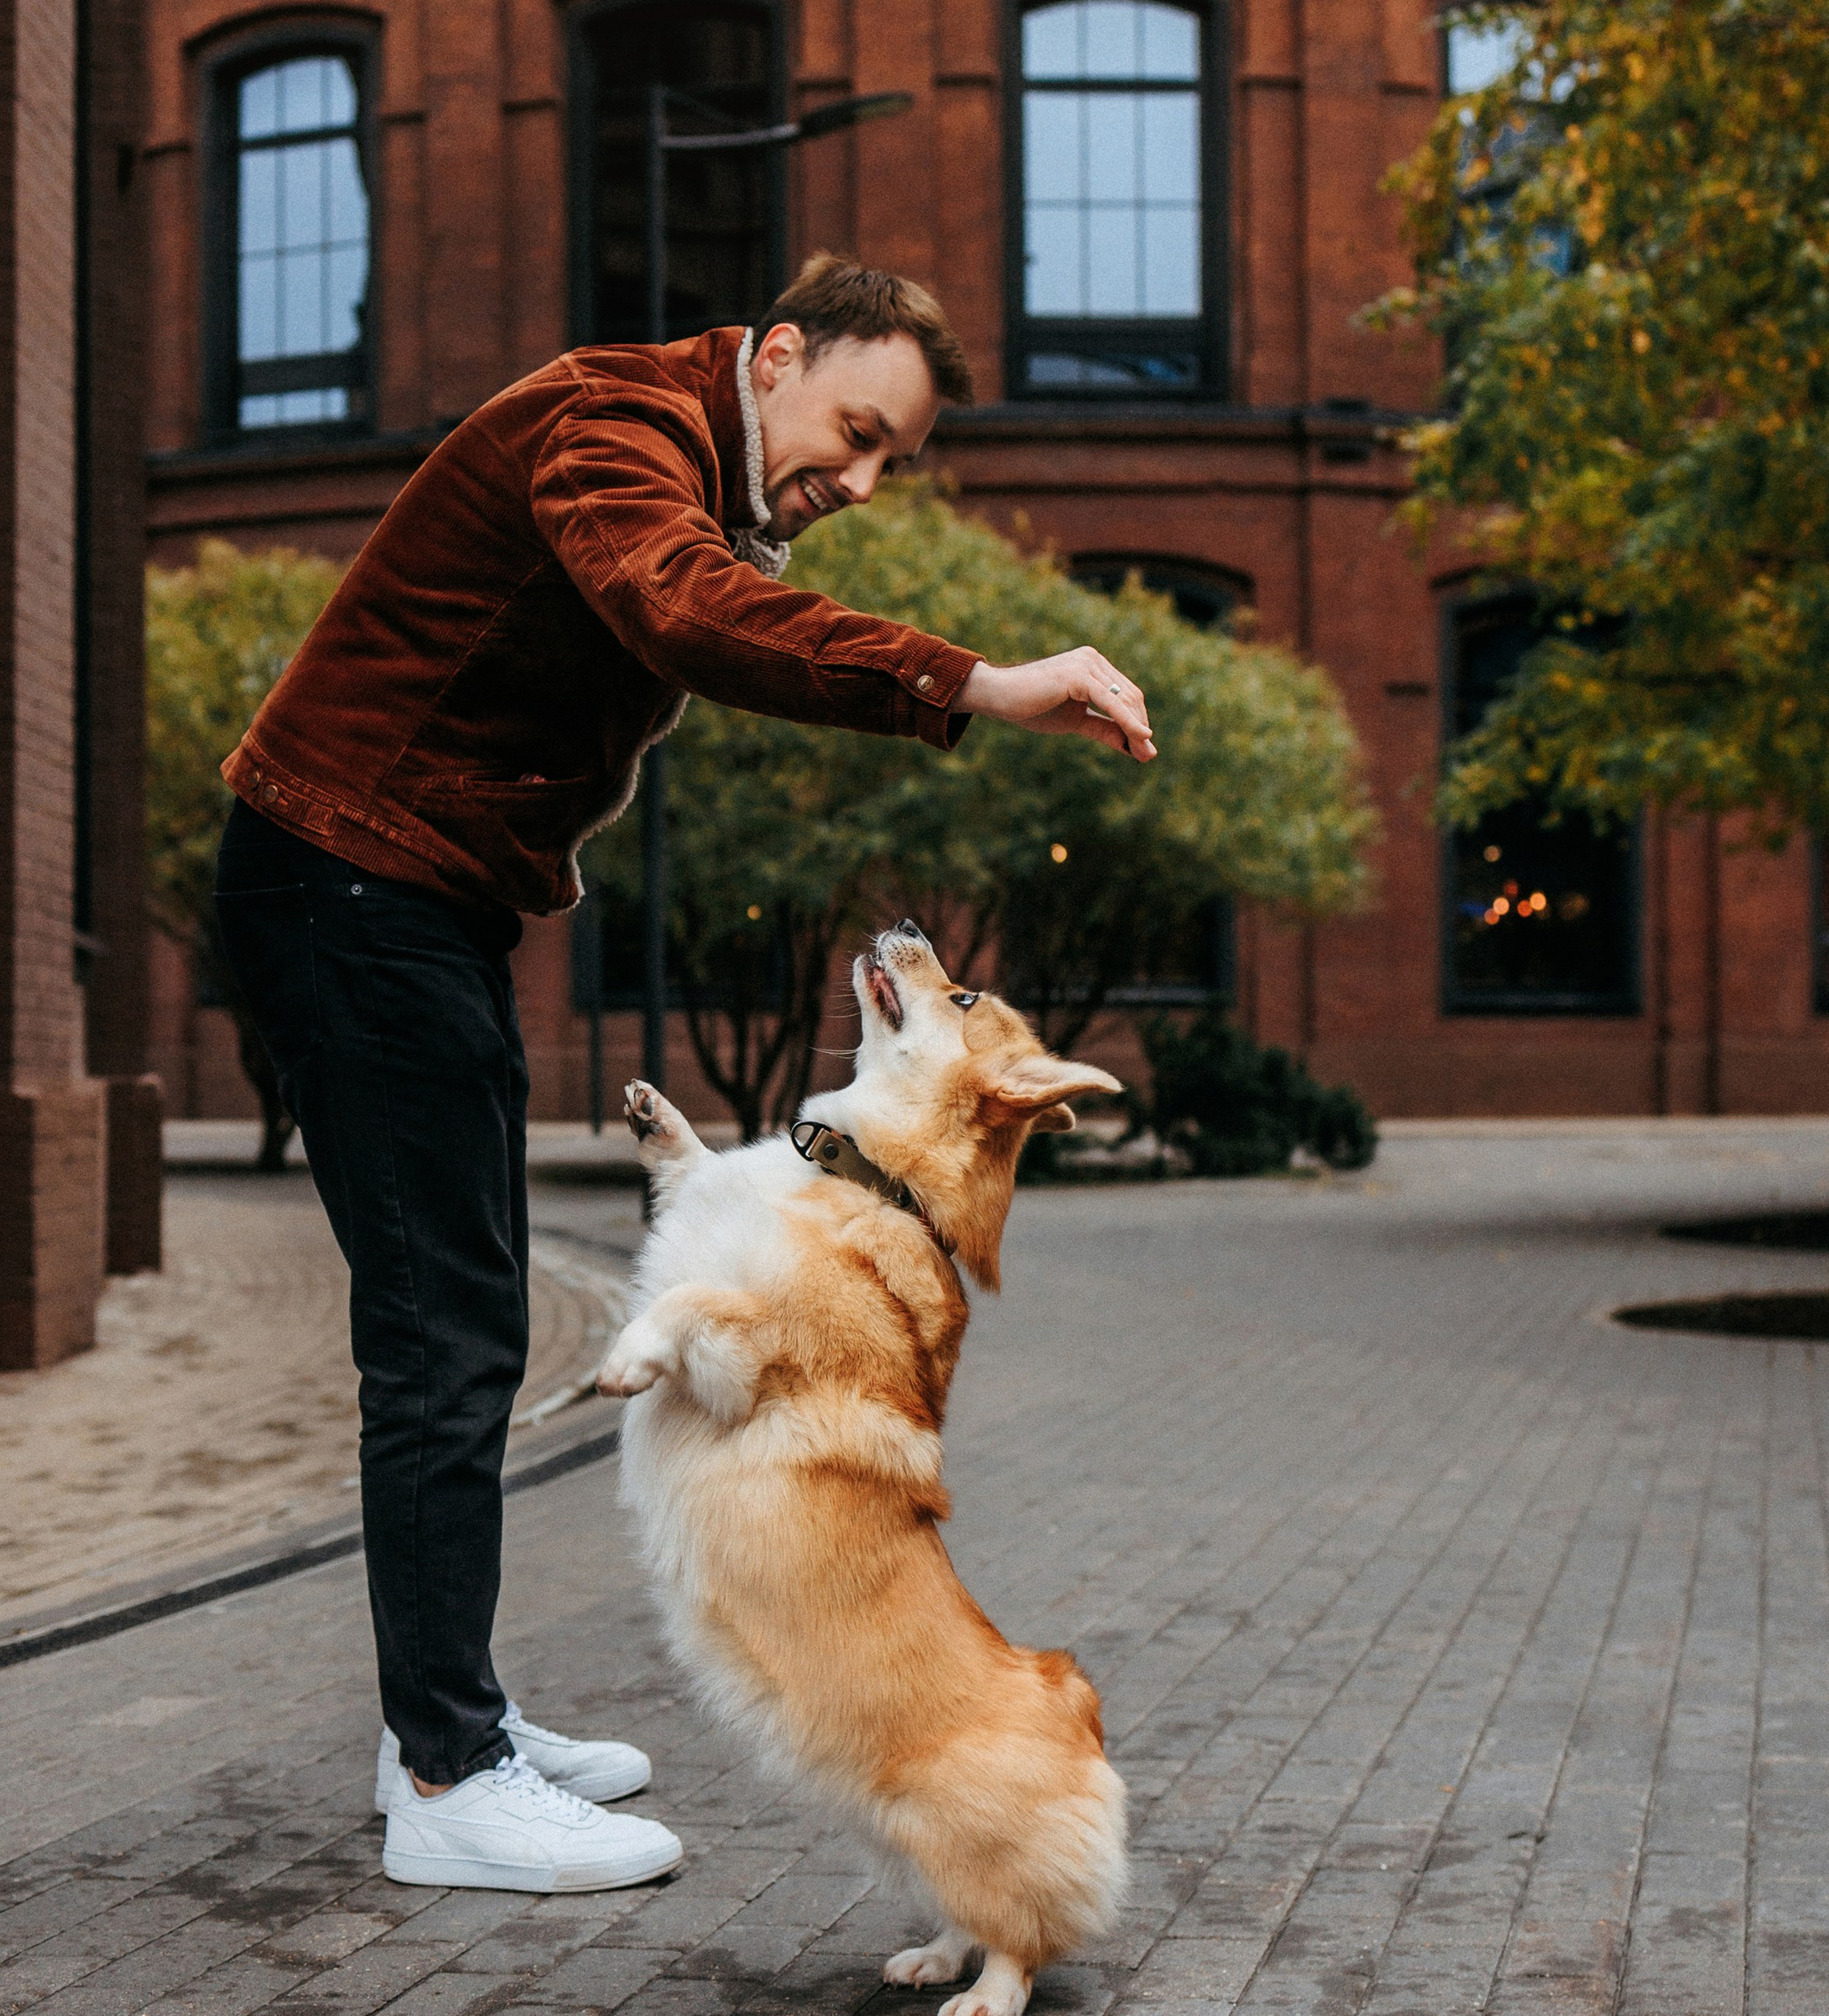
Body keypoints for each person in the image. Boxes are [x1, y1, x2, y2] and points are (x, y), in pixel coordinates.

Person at [213, 253, 1155, 1896]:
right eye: (852, 432)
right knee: (445, 1336)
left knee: (466, 1314)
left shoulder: (686, 455)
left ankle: (446, 1718)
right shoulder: (611, 427)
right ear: (777, 355)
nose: (856, 484)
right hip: (345, 881)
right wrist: (978, 684)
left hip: (402, 894)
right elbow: (686, 610)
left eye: (888, 466)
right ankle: (446, 1777)